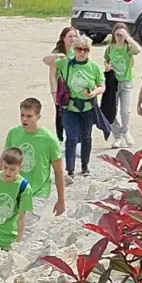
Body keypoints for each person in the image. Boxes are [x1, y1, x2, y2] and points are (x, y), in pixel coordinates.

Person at [47, 35, 106, 178]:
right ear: (74, 49)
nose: (82, 52)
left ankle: (85, 165)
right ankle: (70, 169)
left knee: (86, 137)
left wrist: (94, 93)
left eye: (85, 49)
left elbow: (102, 86)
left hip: (87, 107)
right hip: (70, 107)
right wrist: (58, 55)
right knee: (71, 138)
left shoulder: (93, 67)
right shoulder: (66, 63)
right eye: (79, 49)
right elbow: (46, 61)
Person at [4, 98, 67, 218]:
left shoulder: (49, 140)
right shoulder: (13, 134)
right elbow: (4, 161)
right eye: (22, 115)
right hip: (14, 190)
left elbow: (58, 172)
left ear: (38, 116)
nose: (24, 119)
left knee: (25, 230)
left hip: (38, 192)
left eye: (29, 116)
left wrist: (61, 200)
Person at [105, 23, 142, 146]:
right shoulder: (110, 48)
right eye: (117, 35)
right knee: (111, 110)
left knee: (125, 111)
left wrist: (128, 38)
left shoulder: (128, 48)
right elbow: (106, 59)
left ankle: (125, 131)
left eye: (122, 35)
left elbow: (138, 50)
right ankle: (117, 136)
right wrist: (107, 66)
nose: (119, 37)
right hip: (113, 82)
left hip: (126, 82)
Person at [48, 27, 77, 145]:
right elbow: (52, 75)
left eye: (75, 36)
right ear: (63, 38)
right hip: (62, 89)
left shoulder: (78, 52)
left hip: (75, 88)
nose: (73, 39)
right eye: (70, 36)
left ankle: (74, 140)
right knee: (60, 114)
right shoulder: (58, 55)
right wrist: (54, 93)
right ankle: (60, 139)